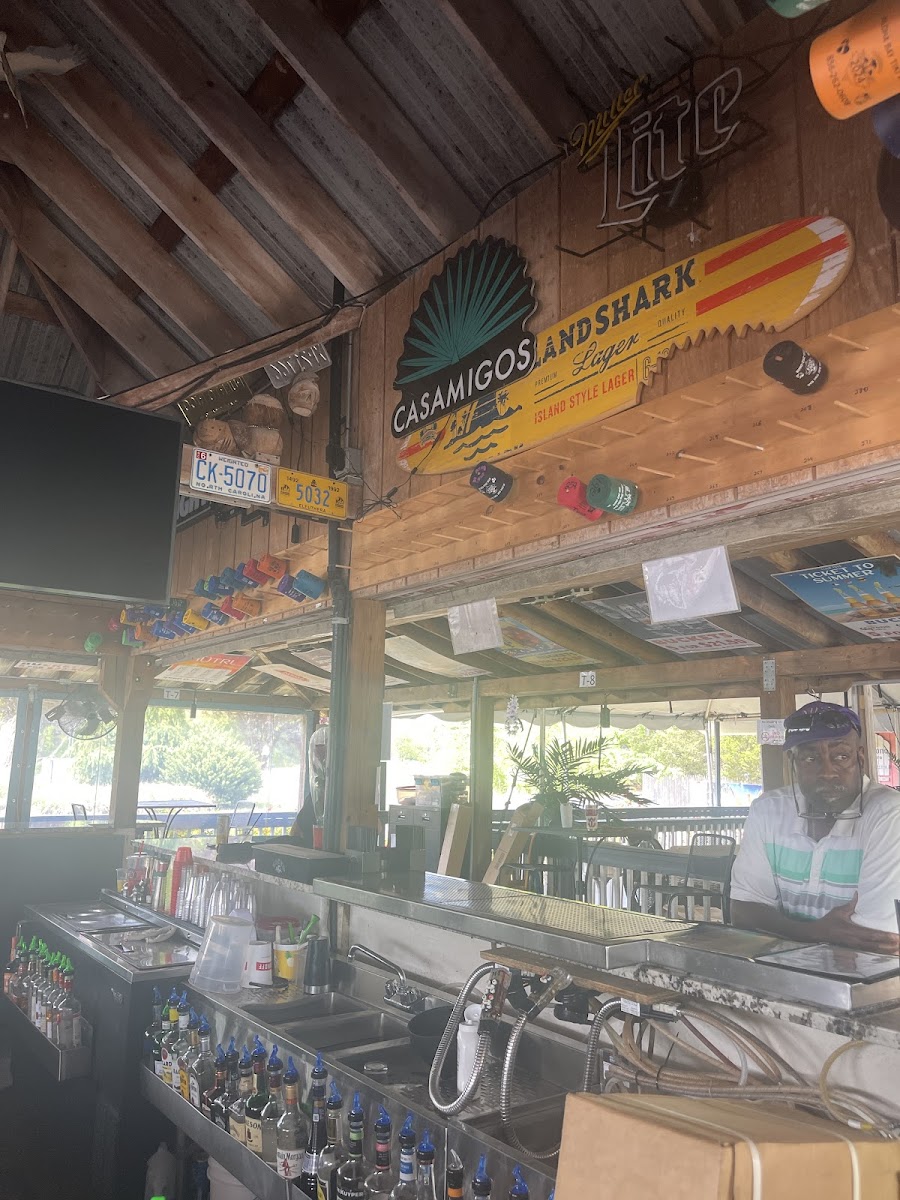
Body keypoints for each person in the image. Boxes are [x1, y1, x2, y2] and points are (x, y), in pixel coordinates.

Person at [730, 700, 900, 954]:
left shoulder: (890, 814)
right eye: (810, 758)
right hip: (782, 971)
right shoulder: (768, 810)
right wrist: (817, 932)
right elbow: (743, 911)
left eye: (841, 756)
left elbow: (879, 939)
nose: (827, 772)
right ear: (793, 762)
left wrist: (785, 928)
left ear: (861, 758)